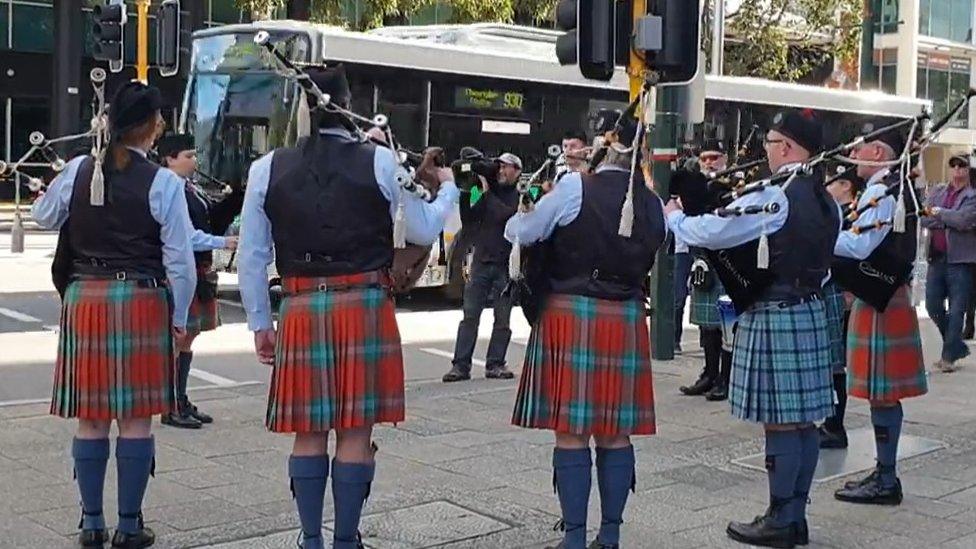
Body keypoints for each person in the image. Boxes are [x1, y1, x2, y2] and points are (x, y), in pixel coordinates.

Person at [238, 65, 458, 549]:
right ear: (346, 105)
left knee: (308, 431)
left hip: (299, 305)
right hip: (363, 305)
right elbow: (422, 230)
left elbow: (252, 256)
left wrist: (260, 322)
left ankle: (310, 538)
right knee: (355, 432)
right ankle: (345, 540)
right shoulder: (379, 161)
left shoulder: (265, 167)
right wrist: (449, 193)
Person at [32, 81, 197, 548]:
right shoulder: (165, 183)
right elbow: (180, 263)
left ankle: (90, 522)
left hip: (86, 299)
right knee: (136, 419)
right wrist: (180, 318)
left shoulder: (81, 169)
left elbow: (45, 216)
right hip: (141, 300)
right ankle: (128, 525)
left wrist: (59, 182)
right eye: (160, 118)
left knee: (91, 418)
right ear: (150, 126)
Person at [666, 110, 839, 548]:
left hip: (776, 313)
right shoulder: (826, 199)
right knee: (802, 423)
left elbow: (719, 229)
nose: (765, 150)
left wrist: (675, 219)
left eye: (770, 141)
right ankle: (795, 515)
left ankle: (780, 517)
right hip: (809, 310)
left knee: (781, 424)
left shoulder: (777, 196)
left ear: (786, 146)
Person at [506, 116, 665, 549]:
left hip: (572, 313)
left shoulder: (577, 187)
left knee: (572, 431)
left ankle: (574, 538)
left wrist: (529, 209)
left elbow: (523, 231)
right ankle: (609, 536)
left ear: (604, 145)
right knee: (615, 432)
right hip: (626, 316)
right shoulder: (653, 203)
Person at [832, 121, 927, 507]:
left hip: (882, 298)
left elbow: (860, 246)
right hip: (879, 296)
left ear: (877, 153)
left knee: (883, 394)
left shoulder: (884, 192)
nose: (854, 151)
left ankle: (887, 478)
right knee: (878, 394)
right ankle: (884, 472)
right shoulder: (884, 188)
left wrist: (818, 234)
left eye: (862, 145)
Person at [155, 133, 239, 429]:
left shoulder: (189, 187)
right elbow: (184, 235)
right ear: (170, 159)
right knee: (179, 337)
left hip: (197, 268)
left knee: (188, 337)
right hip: (180, 267)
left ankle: (180, 398)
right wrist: (222, 241)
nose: (194, 160)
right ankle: (171, 405)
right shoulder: (169, 188)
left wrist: (235, 199)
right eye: (188, 155)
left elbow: (208, 219)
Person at [443, 153, 523, 382]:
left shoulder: (519, 196)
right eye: (498, 166)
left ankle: (495, 364)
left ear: (517, 171)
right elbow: (469, 213)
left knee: (502, 319)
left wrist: (486, 192)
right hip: (481, 263)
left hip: (506, 266)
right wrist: (470, 187)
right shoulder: (485, 191)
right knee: (469, 317)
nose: (500, 171)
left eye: (506, 167)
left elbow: (505, 214)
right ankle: (460, 365)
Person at [680, 139, 733, 401]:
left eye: (715, 157)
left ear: (725, 159)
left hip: (726, 262)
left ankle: (726, 378)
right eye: (705, 158)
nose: (709, 162)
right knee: (705, 326)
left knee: (726, 326)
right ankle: (709, 373)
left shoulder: (733, 187)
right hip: (702, 260)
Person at [818, 168, 865, 449]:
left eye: (833, 182)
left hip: (836, 289)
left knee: (835, 362)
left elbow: (852, 255)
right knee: (828, 359)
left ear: (846, 186)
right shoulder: (837, 213)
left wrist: (850, 289)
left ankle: (835, 426)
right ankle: (828, 421)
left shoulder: (852, 215)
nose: (828, 187)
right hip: (827, 288)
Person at [920, 153, 976, 372]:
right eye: (953, 165)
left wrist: (940, 214)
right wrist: (947, 218)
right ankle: (955, 346)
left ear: (968, 169)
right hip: (937, 256)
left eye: (961, 166)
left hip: (960, 260)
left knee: (956, 309)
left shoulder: (972, 196)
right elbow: (924, 217)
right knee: (933, 305)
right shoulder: (938, 192)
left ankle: (948, 357)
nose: (957, 170)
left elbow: (963, 220)